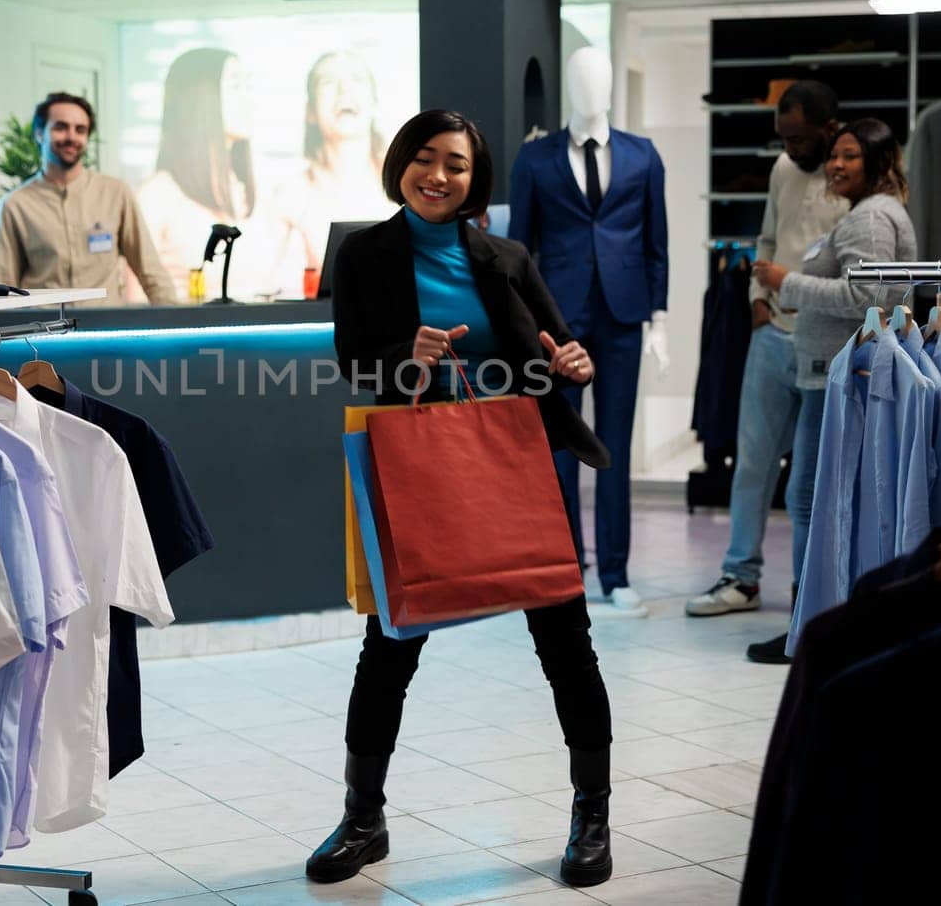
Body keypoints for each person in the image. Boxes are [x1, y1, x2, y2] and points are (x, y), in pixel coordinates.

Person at [312, 109, 617, 890]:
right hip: (417, 469)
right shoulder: (363, 253)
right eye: (424, 158)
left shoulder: (507, 257)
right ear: (401, 165)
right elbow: (355, 363)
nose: (438, 175)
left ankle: (592, 813)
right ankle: (363, 816)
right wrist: (402, 358)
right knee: (390, 646)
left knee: (565, 643)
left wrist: (573, 364)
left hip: (514, 466)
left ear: (474, 178)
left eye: (455, 163)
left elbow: (552, 352)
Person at [745, 117, 916, 663]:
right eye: (834, 156)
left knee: (811, 499)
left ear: (878, 163)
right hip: (831, 372)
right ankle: (819, 620)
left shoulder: (870, 220)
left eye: (850, 156)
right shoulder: (870, 214)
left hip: (837, 376)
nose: (836, 165)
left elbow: (868, 295)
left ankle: (810, 630)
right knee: (818, 499)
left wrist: (784, 283)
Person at [686, 81, 846, 618]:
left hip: (826, 342)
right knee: (752, 463)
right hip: (772, 333)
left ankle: (811, 588)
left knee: (810, 476)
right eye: (783, 138)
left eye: (799, 139)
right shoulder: (782, 169)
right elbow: (769, 239)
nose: (790, 148)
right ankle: (741, 576)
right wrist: (757, 298)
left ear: (828, 129)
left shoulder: (850, 179)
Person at [0, 91, 177, 305]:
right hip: (45, 333)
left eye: (80, 130)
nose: (71, 137)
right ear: (40, 133)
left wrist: (177, 325)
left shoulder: (116, 193)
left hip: (106, 330)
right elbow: (1, 287)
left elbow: (150, 270)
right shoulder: (15, 205)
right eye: (60, 127)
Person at [135, 48, 275, 298]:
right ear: (200, 99)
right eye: (236, 86)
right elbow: (135, 300)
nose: (250, 99)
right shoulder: (158, 195)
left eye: (248, 86)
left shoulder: (251, 192)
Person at [266, 52, 393, 294]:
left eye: (356, 79)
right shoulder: (289, 196)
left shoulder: (407, 186)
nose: (344, 91)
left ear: (375, 102)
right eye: (328, 82)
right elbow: (272, 288)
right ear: (310, 111)